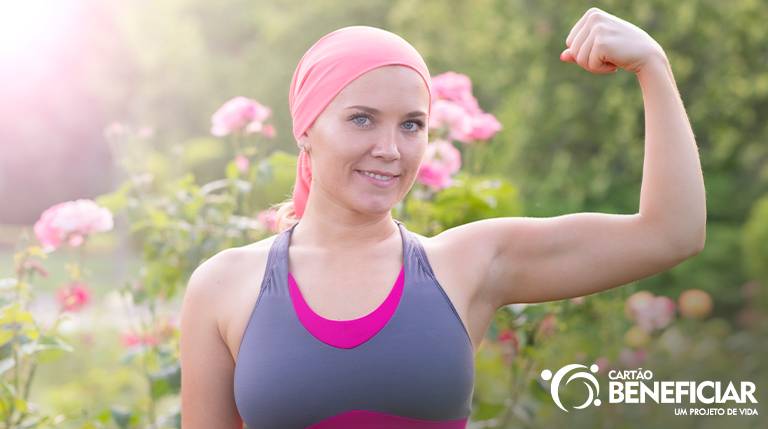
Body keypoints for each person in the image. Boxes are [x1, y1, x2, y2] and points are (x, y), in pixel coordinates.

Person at [180, 8, 706, 429]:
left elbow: (670, 234)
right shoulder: (226, 285)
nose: (389, 148)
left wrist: (652, 67)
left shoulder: (468, 265)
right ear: (305, 130)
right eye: (362, 119)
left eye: (412, 125)